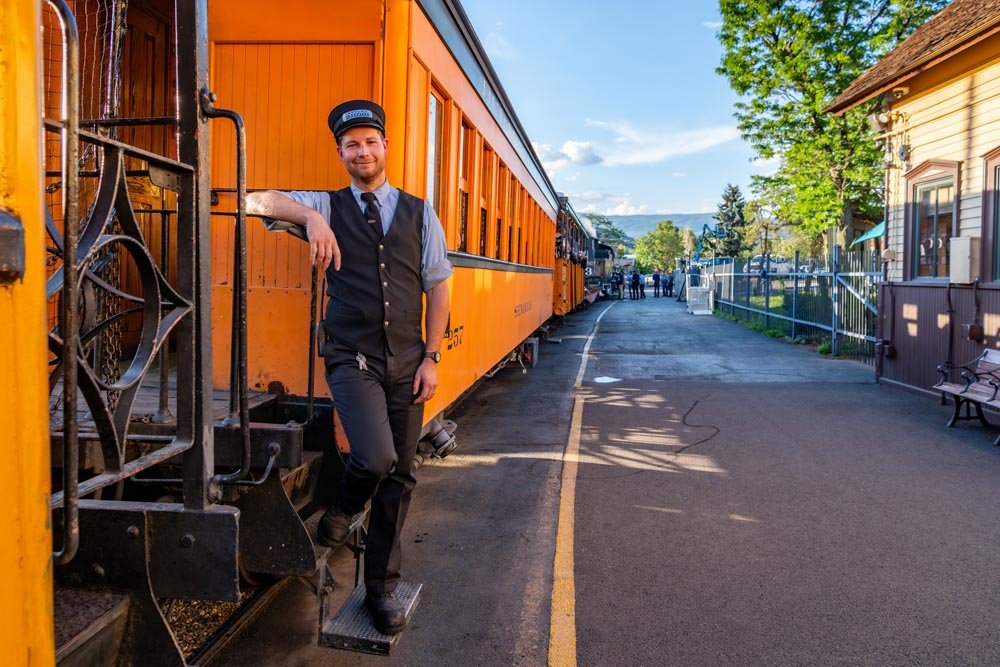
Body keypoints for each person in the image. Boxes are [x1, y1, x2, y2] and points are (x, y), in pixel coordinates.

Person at [246, 100, 452, 635]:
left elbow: (438, 287)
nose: (362, 151)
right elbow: (256, 199)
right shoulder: (328, 204)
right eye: (352, 144)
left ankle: (381, 589)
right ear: (341, 152)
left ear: (385, 147)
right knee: (377, 456)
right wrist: (311, 215)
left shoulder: (419, 211)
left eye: (370, 142)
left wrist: (431, 356)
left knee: (401, 476)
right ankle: (339, 513)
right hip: (351, 356)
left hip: (409, 359)